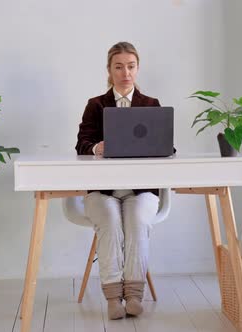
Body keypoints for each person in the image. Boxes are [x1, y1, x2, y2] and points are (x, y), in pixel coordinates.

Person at [75, 41, 162, 319]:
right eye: (119, 66)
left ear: (138, 69)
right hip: (103, 192)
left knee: (137, 220)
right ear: (109, 70)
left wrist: (162, 147)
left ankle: (134, 295)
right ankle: (114, 298)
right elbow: (81, 144)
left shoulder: (151, 105)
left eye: (131, 66)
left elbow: (165, 147)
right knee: (111, 222)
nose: (126, 72)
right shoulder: (95, 105)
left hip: (141, 191)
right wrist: (95, 148)